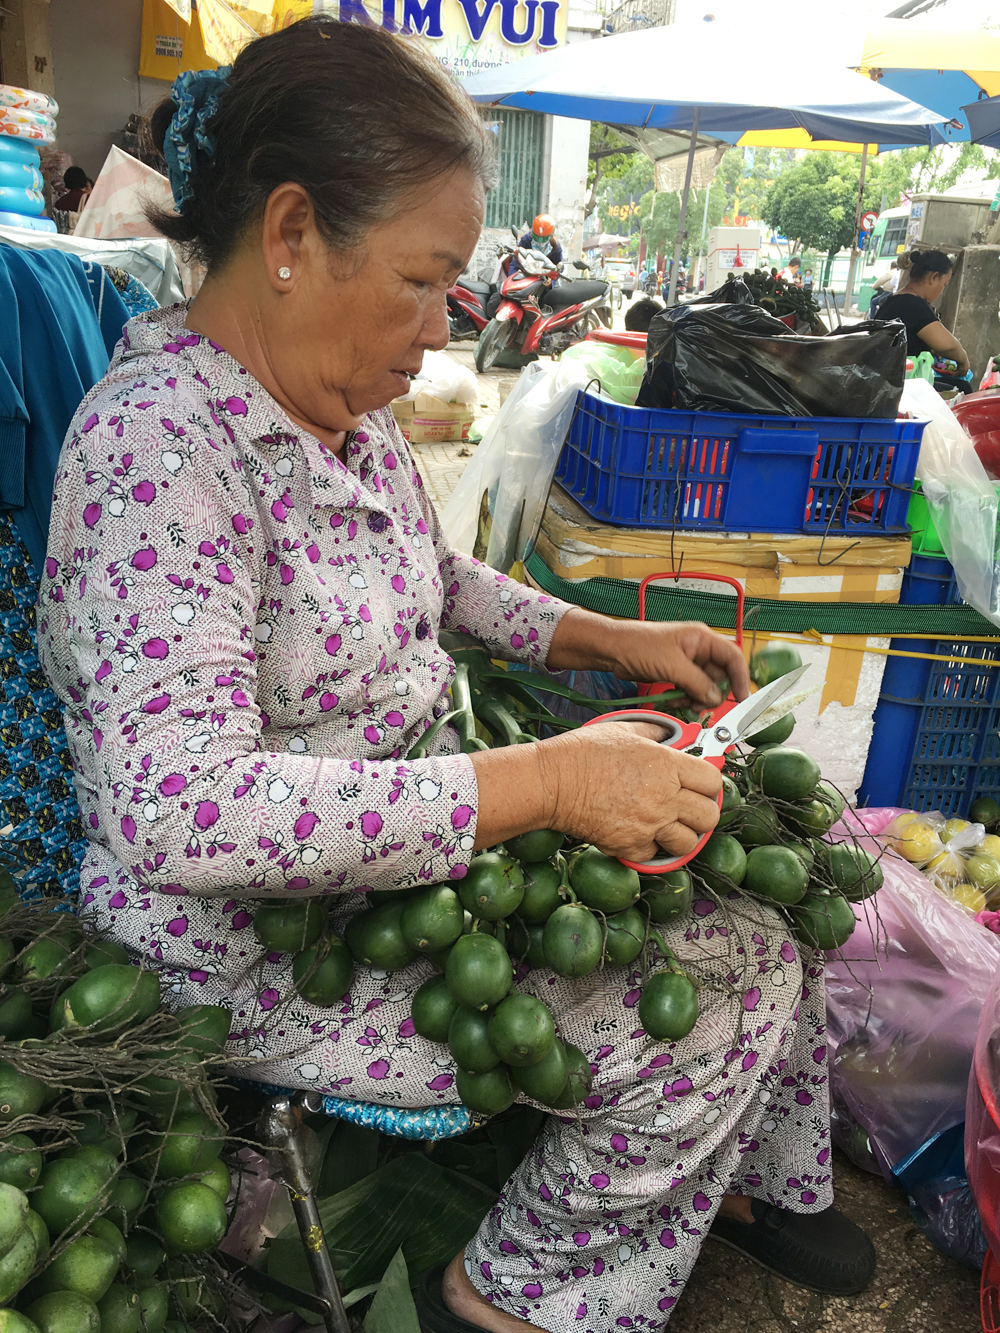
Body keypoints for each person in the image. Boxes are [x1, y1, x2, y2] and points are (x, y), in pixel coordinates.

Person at [36, 19, 874, 1332]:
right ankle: (506, 1300)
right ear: (294, 233)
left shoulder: (335, 416)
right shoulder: (158, 459)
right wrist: (542, 783)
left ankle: (757, 1181)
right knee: (715, 997)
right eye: (424, 282)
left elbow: (439, 585)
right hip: (262, 947)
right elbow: (177, 807)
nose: (442, 333)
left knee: (776, 897)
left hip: (419, 854)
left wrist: (609, 641)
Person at [872, 249, 970, 376]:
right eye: (944, 284)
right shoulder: (912, 304)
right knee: (962, 387)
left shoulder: (894, 300)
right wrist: (964, 362)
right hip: (895, 382)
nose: (941, 292)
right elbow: (949, 346)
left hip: (885, 376)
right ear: (934, 277)